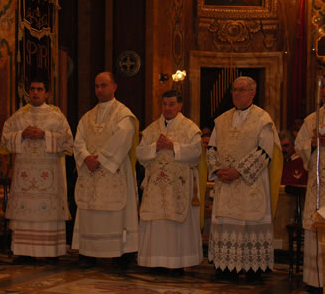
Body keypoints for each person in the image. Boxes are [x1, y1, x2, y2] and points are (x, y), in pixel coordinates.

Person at [207, 76, 282, 282]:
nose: (237, 94)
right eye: (234, 90)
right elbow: (212, 147)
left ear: (252, 93)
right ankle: (225, 266)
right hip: (225, 183)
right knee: (226, 222)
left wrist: (238, 171)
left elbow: (265, 151)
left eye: (241, 90)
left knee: (249, 223)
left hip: (250, 183)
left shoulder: (263, 119)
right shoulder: (221, 120)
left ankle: (252, 268)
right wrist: (218, 170)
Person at [0, 78, 73, 261]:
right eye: (32, 89)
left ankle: (50, 252)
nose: (35, 93)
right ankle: (24, 252)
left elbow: (68, 142)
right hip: (25, 178)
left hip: (48, 177)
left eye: (39, 89)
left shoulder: (56, 115)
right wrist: (21, 134)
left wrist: (45, 135)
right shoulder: (20, 116)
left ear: (47, 93)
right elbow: (4, 139)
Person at [72, 71, 139, 267]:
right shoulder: (87, 116)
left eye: (103, 85)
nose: (99, 90)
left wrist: (99, 159)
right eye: (96, 86)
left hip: (113, 170)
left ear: (114, 87)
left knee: (117, 214)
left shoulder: (124, 114)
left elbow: (123, 137)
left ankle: (120, 253)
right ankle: (88, 253)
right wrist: (85, 157)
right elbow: (78, 141)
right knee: (89, 212)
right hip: (90, 170)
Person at [136, 90, 203, 274]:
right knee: (156, 221)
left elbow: (196, 153)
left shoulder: (190, 128)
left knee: (175, 223)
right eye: (164, 104)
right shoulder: (151, 129)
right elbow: (140, 154)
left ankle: (176, 263)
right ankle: (154, 261)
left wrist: (173, 146)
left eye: (172, 104)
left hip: (178, 188)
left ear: (180, 106)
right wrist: (155, 147)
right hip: (156, 187)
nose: (167, 108)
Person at [295, 83, 325, 289]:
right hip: (318, 181)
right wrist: (312, 145)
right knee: (317, 225)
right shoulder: (313, 118)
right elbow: (299, 146)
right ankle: (316, 282)